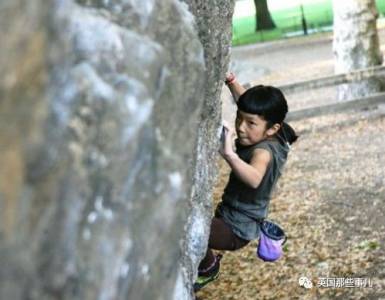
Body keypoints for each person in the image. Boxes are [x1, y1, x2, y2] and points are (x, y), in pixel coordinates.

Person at [194, 73, 298, 292]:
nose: (241, 127)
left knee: (192, 231)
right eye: (239, 118)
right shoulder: (275, 131)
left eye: (250, 123)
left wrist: (230, 154)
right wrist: (231, 82)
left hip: (236, 230)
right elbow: (249, 107)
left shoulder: (264, 151)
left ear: (273, 129)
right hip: (231, 218)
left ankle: (208, 267)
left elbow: (255, 178)